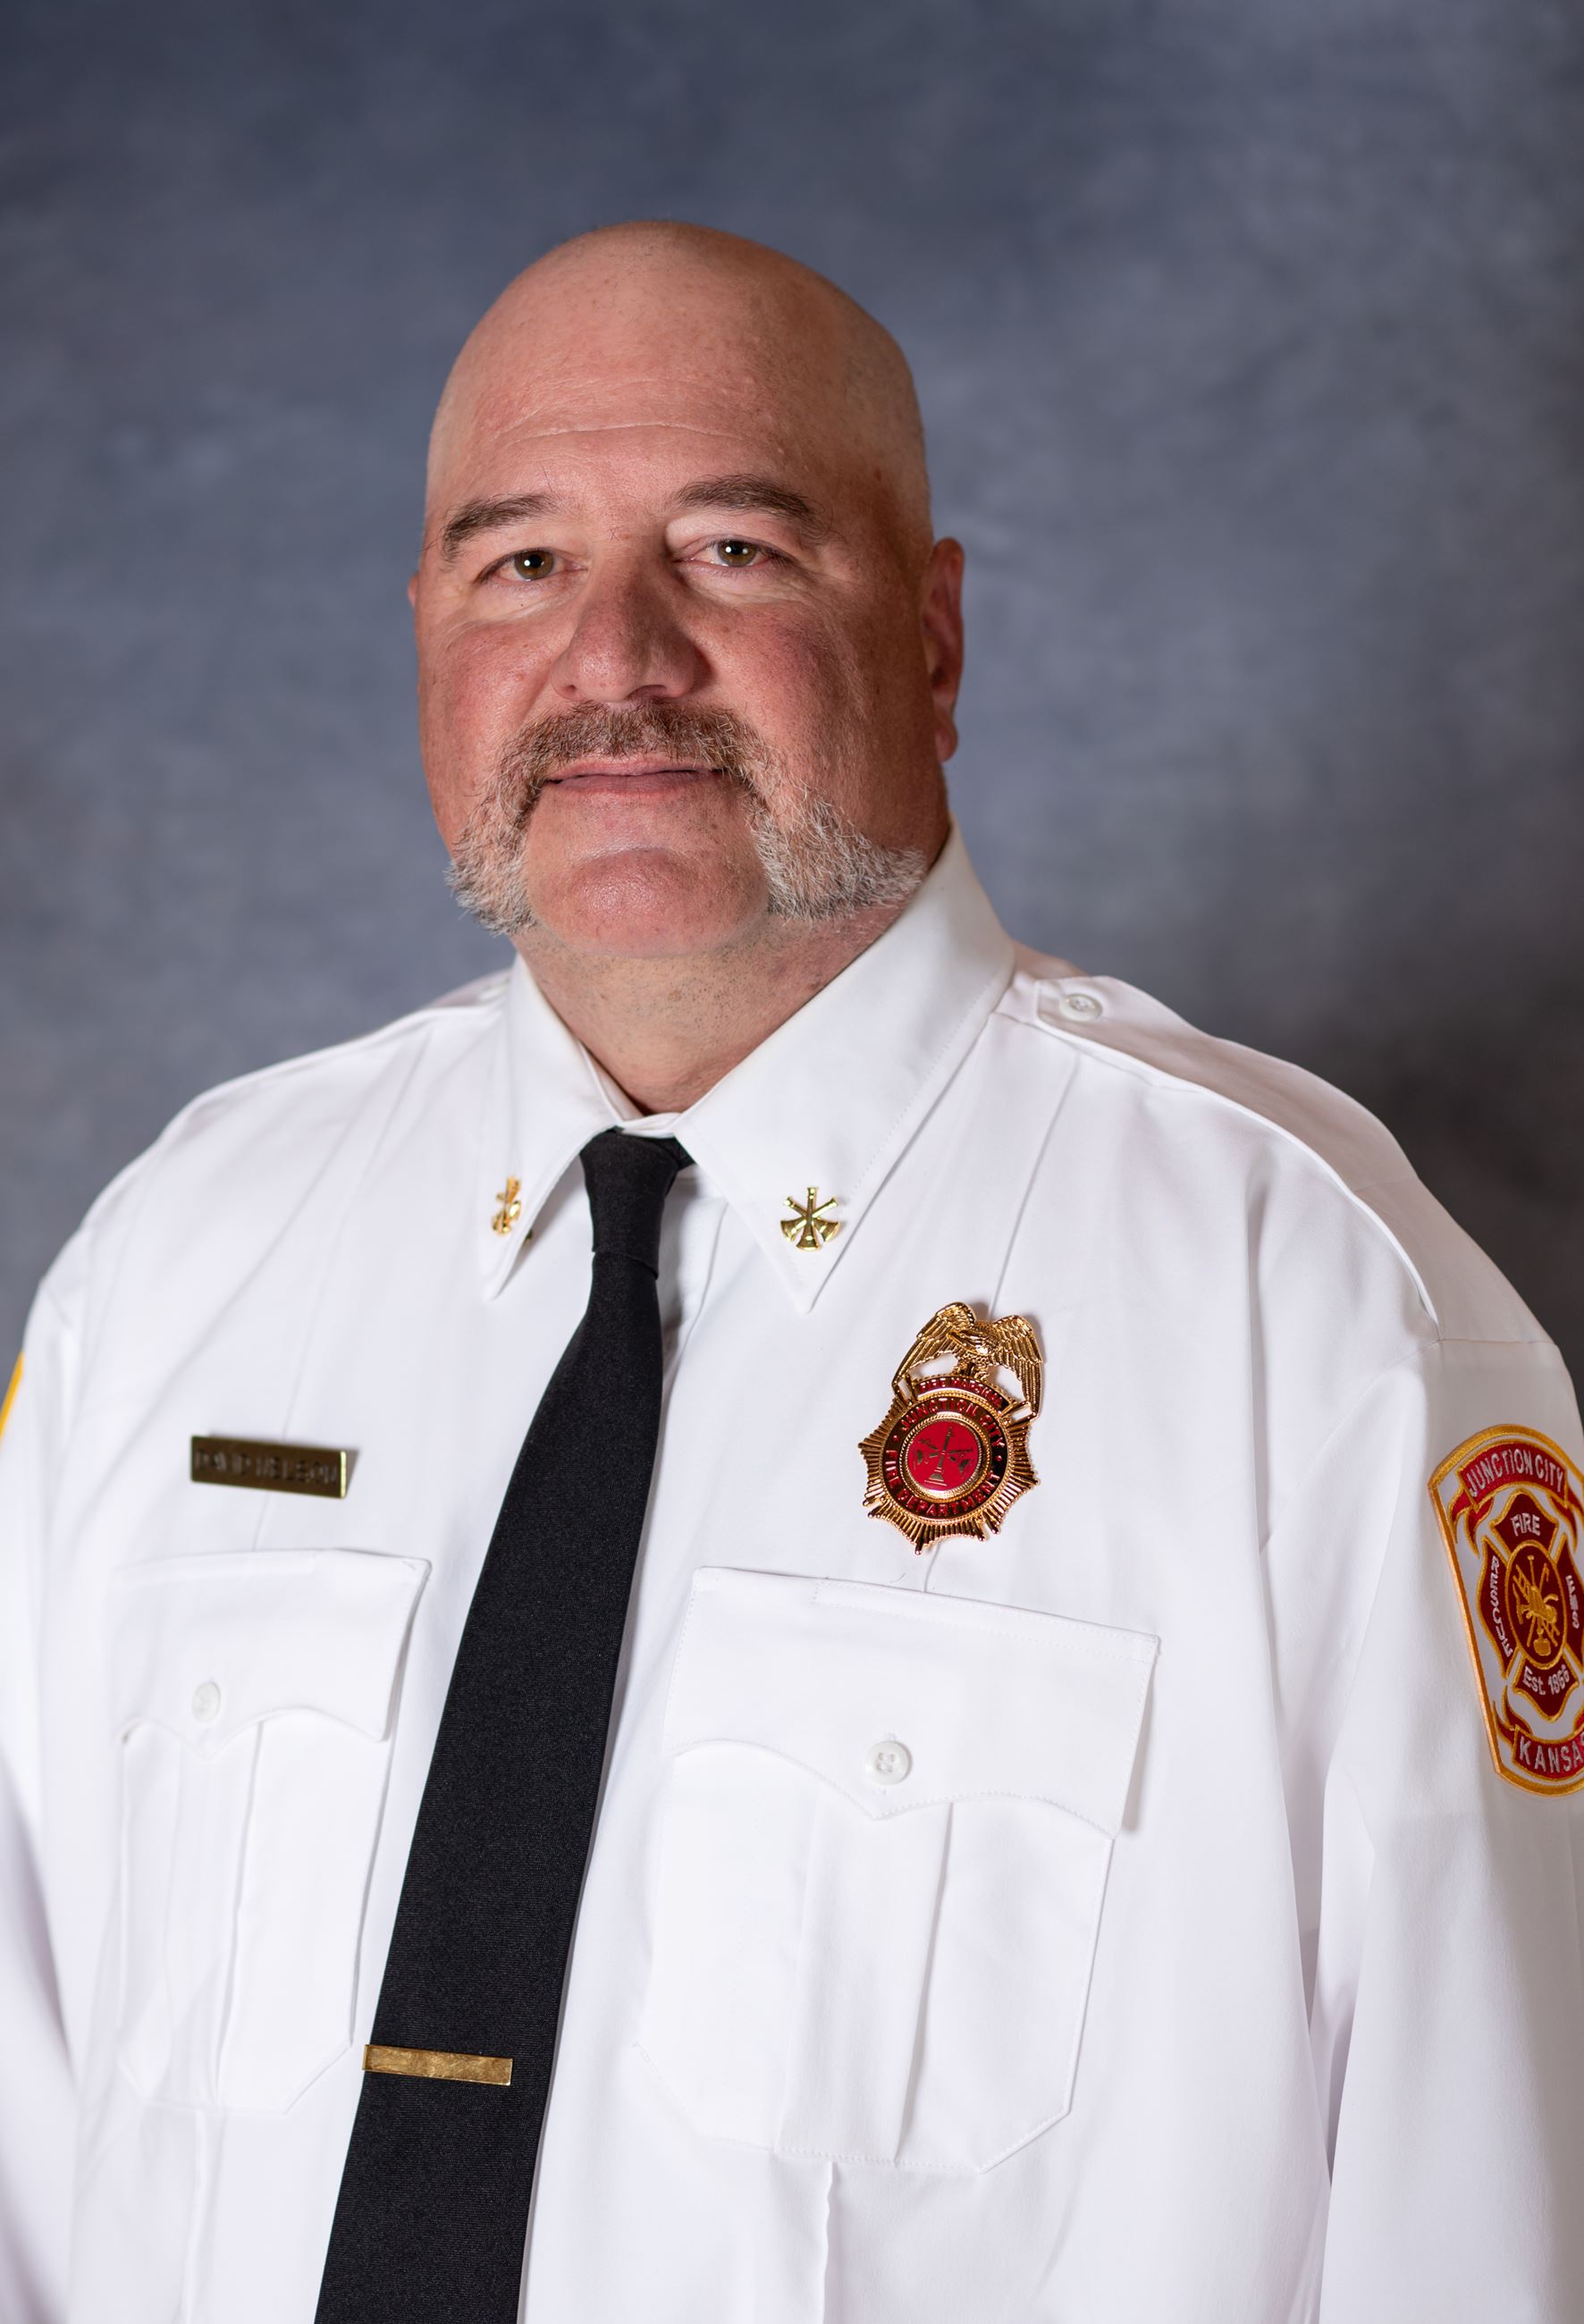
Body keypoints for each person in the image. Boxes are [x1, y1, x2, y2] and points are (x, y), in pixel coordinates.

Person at [2, 221, 1581, 2324]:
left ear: (932, 635)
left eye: (734, 548)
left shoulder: (1311, 1307)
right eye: (521, 563)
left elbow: (1483, 2231)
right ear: (421, 634)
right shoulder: (178, 1268)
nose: (617, 657)